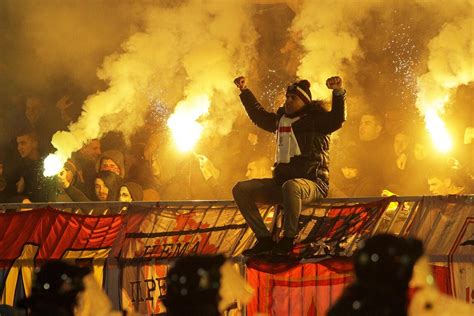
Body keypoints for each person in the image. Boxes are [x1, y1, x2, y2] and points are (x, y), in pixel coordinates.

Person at [232, 75, 346, 256]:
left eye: (293, 98)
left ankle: (288, 239)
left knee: (291, 186)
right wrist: (245, 91)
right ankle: (264, 239)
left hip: (313, 183)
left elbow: (337, 119)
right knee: (241, 189)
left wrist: (338, 93)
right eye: (287, 97)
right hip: (283, 185)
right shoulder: (281, 121)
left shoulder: (317, 120)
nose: (288, 101)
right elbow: (259, 116)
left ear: (304, 101)